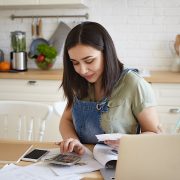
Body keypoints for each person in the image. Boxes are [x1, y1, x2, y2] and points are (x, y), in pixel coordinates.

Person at [59, 21, 161, 155]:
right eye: (75, 63)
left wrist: (127, 141)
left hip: (121, 163)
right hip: (83, 163)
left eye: (89, 61)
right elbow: (66, 120)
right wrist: (73, 140)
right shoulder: (79, 82)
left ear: (106, 53)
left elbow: (155, 134)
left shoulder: (134, 84)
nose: (82, 70)